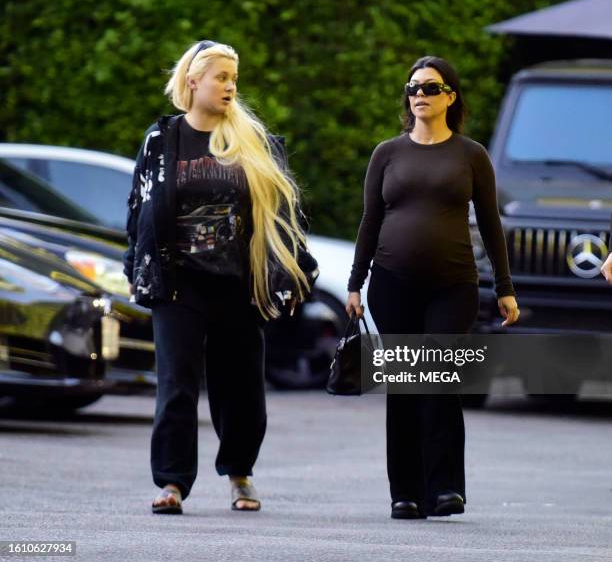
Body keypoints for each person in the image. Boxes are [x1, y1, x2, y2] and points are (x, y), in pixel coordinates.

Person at [123, 40, 318, 515]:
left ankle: (239, 473)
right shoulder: (161, 140)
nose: (231, 86)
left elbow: (285, 214)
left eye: (234, 78)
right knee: (176, 383)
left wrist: (291, 271)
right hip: (178, 282)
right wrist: (136, 266)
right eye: (221, 78)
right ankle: (171, 483)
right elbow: (138, 208)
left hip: (238, 284)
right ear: (193, 81)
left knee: (242, 386)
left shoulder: (253, 140)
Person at [345, 56, 519, 520]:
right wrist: (354, 283)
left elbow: (490, 222)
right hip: (391, 285)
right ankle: (405, 492)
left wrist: (505, 287)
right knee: (404, 387)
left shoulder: (471, 155)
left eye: (429, 87)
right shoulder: (386, 153)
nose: (419, 94)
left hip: (453, 286)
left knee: (439, 383)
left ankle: (445, 488)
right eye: (412, 87)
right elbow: (370, 220)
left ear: (450, 96)